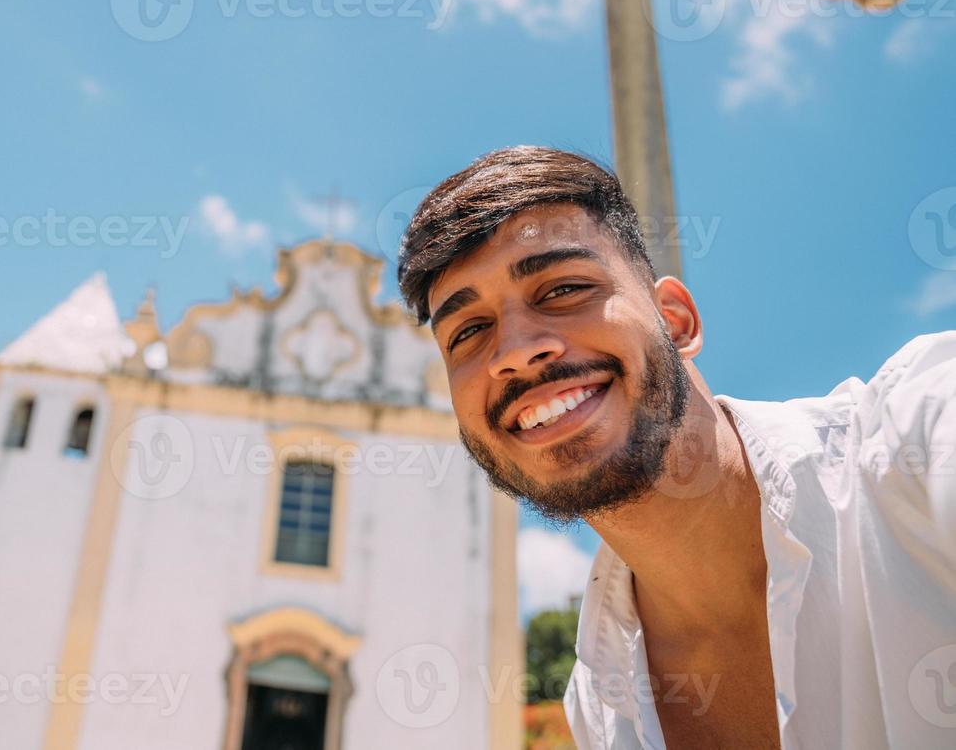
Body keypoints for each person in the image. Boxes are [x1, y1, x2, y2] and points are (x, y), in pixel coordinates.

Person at [398, 146, 956, 748]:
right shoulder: (599, 706)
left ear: (677, 320)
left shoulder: (916, 443)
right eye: (469, 332)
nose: (513, 352)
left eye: (562, 288)